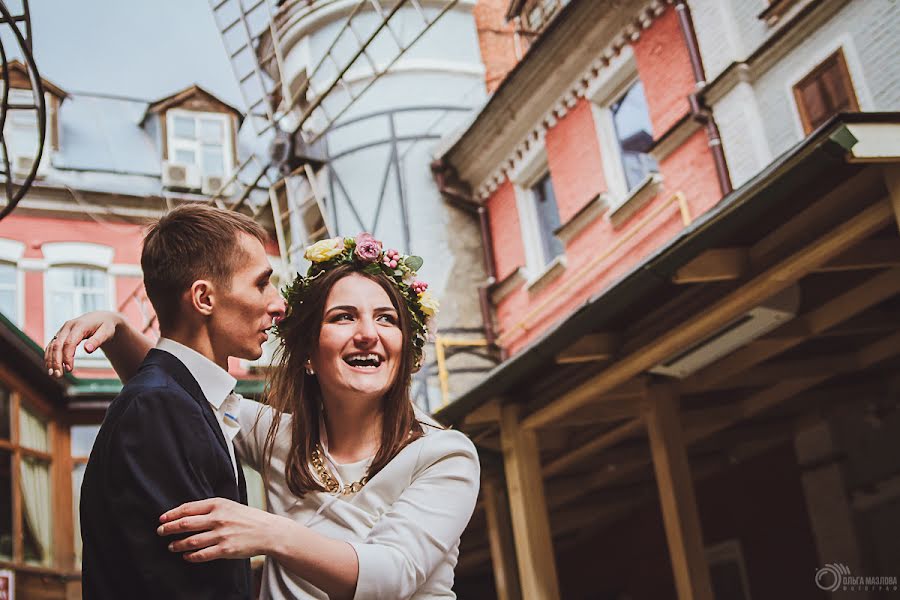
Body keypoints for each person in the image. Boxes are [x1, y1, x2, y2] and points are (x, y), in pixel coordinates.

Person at [47, 232, 481, 599]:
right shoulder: (281, 437)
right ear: (308, 353)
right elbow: (185, 393)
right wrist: (119, 329)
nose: (367, 334)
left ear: (407, 347)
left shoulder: (444, 454)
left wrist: (268, 532)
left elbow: (394, 572)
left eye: (387, 319)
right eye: (344, 317)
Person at [69, 204, 286, 599]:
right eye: (261, 284)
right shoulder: (158, 407)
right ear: (204, 298)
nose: (278, 303)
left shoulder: (185, 399)